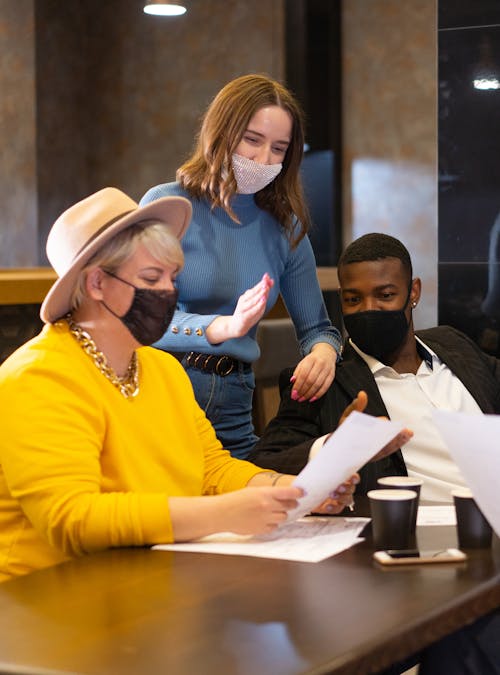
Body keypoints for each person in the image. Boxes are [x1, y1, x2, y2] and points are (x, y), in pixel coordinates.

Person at [0, 188, 357, 583]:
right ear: (97, 283)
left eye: (172, 278)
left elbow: (212, 469)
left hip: (147, 586)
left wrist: (297, 492)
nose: (169, 294)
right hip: (47, 604)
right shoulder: (40, 376)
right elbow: (73, 518)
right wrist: (227, 513)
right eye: (152, 278)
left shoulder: (162, 369)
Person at [140, 73, 342, 460]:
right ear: (221, 131)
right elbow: (139, 318)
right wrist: (220, 328)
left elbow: (318, 329)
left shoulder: (286, 225)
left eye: (279, 148)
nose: (264, 159)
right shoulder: (165, 205)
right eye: (252, 140)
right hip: (165, 388)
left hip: (235, 400)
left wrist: (323, 354)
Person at [250, 232, 500, 503]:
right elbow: (262, 465)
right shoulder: (326, 383)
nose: (369, 309)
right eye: (354, 299)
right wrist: (336, 447)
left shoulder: (453, 344)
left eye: (385, 295)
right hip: (425, 530)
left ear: (413, 292)